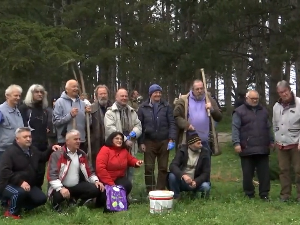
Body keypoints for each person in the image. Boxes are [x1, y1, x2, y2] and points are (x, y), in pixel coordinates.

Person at [0, 127, 61, 219]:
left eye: (29, 136)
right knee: (19, 192)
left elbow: (43, 157)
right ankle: (11, 213)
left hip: (28, 185)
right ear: (17, 139)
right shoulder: (9, 152)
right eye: (25, 137)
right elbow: (4, 171)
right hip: (8, 184)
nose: (28, 139)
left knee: (41, 199)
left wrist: (51, 149)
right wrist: (20, 182)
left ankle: (20, 206)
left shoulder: (32, 150)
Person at [47, 129, 105, 212]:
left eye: (79, 139)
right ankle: (59, 204)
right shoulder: (57, 155)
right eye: (75, 139)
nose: (78, 141)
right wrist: (61, 188)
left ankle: (77, 203)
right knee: (57, 197)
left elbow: (90, 171)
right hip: (61, 186)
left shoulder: (82, 154)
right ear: (67, 141)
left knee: (96, 188)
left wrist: (96, 181)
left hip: (76, 185)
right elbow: (51, 175)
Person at [232, 90, 273, 200]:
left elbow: (268, 127)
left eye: (256, 99)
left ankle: (264, 194)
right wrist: (236, 143)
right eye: (252, 98)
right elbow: (235, 128)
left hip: (262, 146)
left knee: (264, 173)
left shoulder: (263, 111)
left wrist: (271, 140)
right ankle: (249, 194)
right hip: (246, 147)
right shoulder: (239, 112)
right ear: (247, 98)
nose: (255, 101)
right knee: (247, 173)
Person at [137, 84, 177, 192]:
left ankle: (160, 190)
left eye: (159, 92)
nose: (158, 94)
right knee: (149, 168)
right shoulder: (142, 108)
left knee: (163, 167)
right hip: (149, 141)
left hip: (164, 141)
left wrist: (172, 138)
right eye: (155, 92)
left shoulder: (167, 106)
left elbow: (172, 123)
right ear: (151, 94)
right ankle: (150, 191)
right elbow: (139, 125)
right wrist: (141, 142)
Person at [104, 88, 142, 200]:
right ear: (116, 97)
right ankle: (115, 195)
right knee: (117, 172)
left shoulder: (132, 111)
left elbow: (138, 125)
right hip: (115, 148)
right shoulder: (110, 112)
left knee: (130, 171)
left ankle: (127, 195)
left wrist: (135, 133)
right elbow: (110, 129)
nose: (124, 98)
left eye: (126, 96)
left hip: (130, 147)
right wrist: (125, 139)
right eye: (122, 96)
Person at [95, 132, 143, 210]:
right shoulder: (105, 150)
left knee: (127, 184)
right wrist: (111, 184)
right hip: (105, 180)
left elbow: (130, 159)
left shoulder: (123, 151)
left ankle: (120, 201)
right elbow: (100, 169)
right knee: (106, 195)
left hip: (118, 179)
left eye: (121, 139)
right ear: (111, 140)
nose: (119, 140)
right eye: (117, 138)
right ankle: (103, 201)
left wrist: (136, 162)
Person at [173, 79, 222, 154]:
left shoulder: (209, 99)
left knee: (205, 165)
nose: (200, 91)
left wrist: (212, 109)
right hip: (189, 142)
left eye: (201, 88)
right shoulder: (184, 100)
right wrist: (187, 125)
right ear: (192, 90)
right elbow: (176, 116)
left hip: (205, 142)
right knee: (190, 165)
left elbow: (219, 117)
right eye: (197, 89)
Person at [273, 80, 300, 202]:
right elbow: (275, 124)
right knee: (283, 171)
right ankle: (285, 195)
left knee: (299, 171)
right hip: (281, 144)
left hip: (296, 144)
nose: (283, 94)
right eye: (280, 92)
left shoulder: (299, 103)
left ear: (289, 89)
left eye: (284, 91)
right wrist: (276, 139)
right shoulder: (276, 106)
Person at [18, 84, 49, 189]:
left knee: (41, 173)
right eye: (37, 92)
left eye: (41, 92)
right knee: (30, 173)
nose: (40, 94)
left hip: (43, 145)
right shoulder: (24, 108)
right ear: (31, 94)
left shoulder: (44, 109)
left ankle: (38, 195)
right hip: (30, 146)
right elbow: (20, 128)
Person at [168, 131, 211, 199]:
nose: (201, 145)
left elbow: (206, 172)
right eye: (198, 143)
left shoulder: (205, 152)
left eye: (200, 142)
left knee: (206, 186)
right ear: (191, 144)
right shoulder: (182, 151)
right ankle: (176, 197)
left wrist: (196, 181)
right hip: (183, 181)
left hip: (197, 182)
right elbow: (173, 166)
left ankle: (203, 200)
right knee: (172, 176)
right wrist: (183, 175)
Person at [52, 79, 91, 152]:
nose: (76, 89)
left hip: (80, 141)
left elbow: (88, 124)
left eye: (77, 87)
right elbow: (56, 122)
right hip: (65, 141)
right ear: (66, 89)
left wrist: (88, 115)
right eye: (73, 87)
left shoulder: (82, 103)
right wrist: (70, 115)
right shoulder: (59, 102)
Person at [90, 85, 112, 168]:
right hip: (96, 145)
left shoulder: (113, 108)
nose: (103, 96)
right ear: (96, 96)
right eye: (100, 94)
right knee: (98, 167)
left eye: (105, 93)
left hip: (110, 143)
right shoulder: (91, 109)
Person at [0, 84, 24, 159]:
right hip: (3, 151)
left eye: (19, 96)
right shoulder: (1, 111)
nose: (18, 98)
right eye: (15, 95)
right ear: (7, 96)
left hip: (17, 150)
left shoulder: (17, 111)